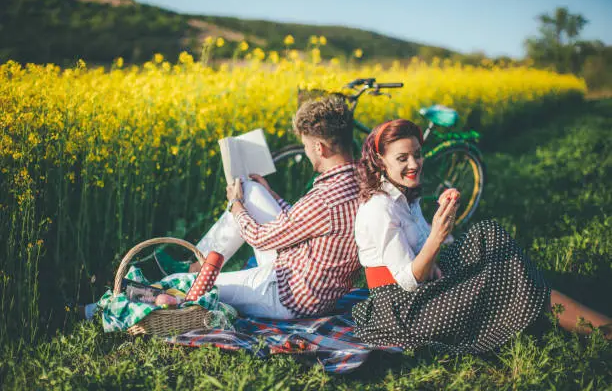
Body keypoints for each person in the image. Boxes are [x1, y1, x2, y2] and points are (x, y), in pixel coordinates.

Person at [351, 119, 612, 354]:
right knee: (505, 279)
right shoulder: (379, 208)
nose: (414, 164)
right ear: (380, 160)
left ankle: (537, 300)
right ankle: (602, 330)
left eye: (417, 155)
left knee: (487, 234)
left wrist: (444, 217)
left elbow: (424, 251)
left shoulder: (404, 193)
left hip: (424, 286)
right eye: (402, 158)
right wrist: (437, 237)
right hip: (403, 312)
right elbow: (408, 280)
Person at [188, 95, 360, 319]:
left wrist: (235, 205)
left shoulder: (324, 199)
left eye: (306, 146)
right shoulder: (358, 180)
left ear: (319, 148)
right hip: (309, 281)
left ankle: (193, 272)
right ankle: (197, 263)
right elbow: (305, 222)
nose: (306, 152)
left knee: (190, 286)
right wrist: (270, 194)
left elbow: (259, 238)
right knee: (251, 189)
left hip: (285, 295)